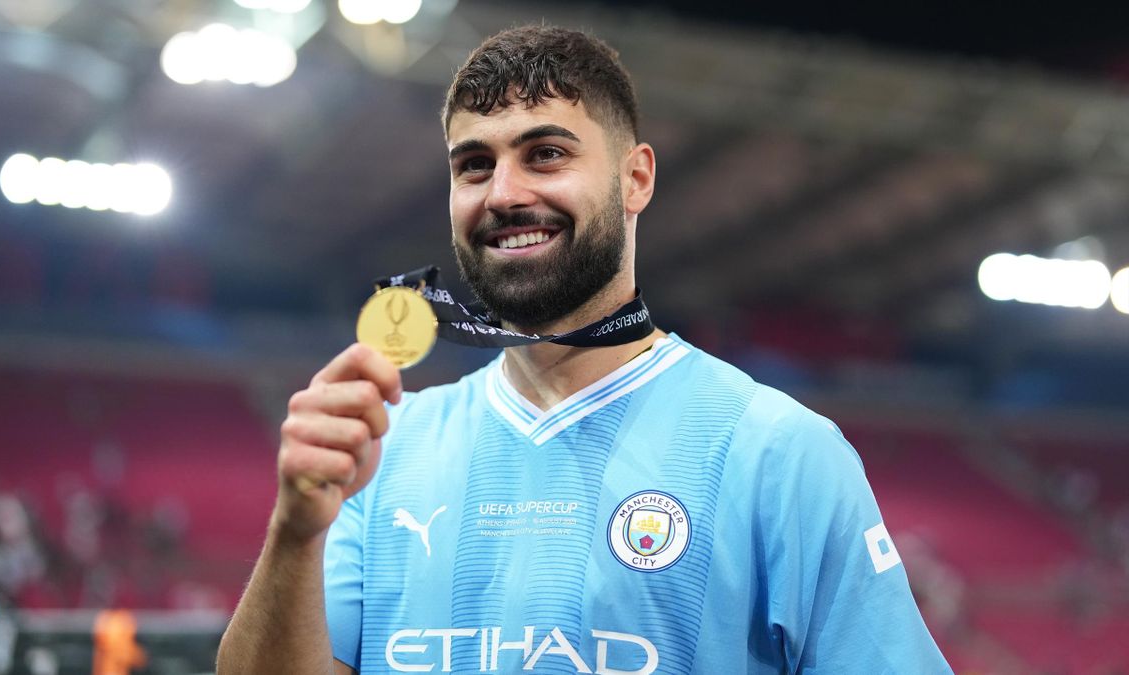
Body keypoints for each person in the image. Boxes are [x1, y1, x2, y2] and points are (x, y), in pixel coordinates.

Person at [217, 25, 951, 674]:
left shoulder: (779, 452)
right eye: (474, 165)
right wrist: (293, 534)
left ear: (635, 179)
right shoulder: (387, 446)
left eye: (545, 154)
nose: (503, 191)